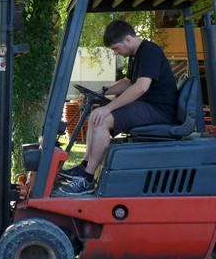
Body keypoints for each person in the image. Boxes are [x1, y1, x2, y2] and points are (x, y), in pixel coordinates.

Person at [58, 20, 177, 195]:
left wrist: (107, 108)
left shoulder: (150, 51)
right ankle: (84, 166)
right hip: (148, 106)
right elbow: (128, 82)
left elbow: (141, 87)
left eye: (116, 48)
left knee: (102, 119)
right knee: (96, 115)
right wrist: (101, 92)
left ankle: (88, 179)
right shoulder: (136, 54)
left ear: (127, 39)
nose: (116, 53)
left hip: (159, 110)